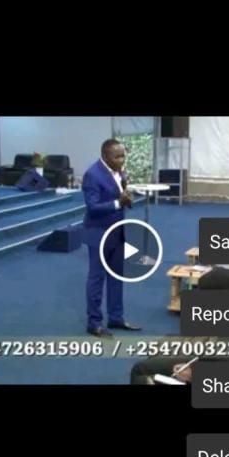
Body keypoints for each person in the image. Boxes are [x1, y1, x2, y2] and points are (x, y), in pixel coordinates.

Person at [82, 139, 141, 337]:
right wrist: (118, 203)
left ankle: (116, 318)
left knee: (116, 277)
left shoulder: (119, 171)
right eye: (117, 157)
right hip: (99, 234)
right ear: (105, 156)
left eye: (123, 155)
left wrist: (125, 195)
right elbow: (92, 207)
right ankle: (94, 323)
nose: (122, 160)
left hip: (117, 232)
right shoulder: (92, 175)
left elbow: (120, 194)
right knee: (97, 279)